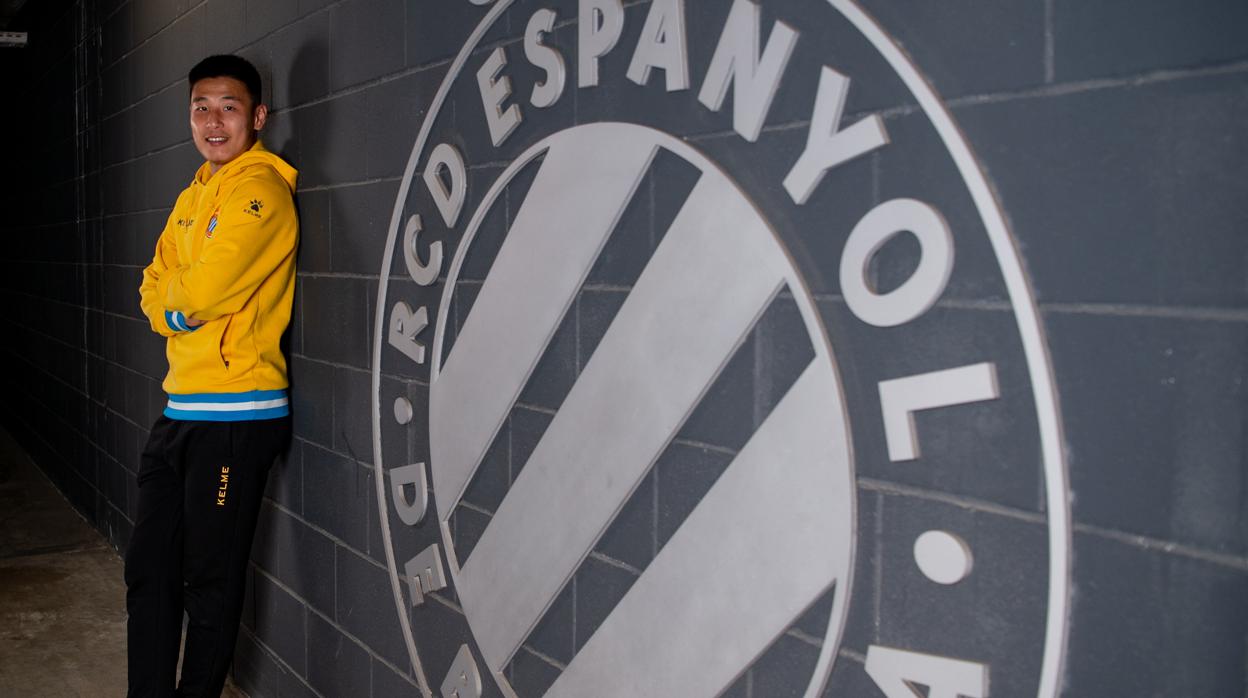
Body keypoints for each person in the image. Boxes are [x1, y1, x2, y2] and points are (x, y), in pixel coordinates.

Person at [127, 54, 297, 697]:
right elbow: (152, 289)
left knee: (210, 580)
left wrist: (177, 302)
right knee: (149, 573)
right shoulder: (194, 195)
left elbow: (203, 291)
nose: (213, 120)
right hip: (179, 413)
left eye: (228, 107)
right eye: (201, 107)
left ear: (257, 116)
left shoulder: (261, 192)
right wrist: (176, 302)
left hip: (237, 416)